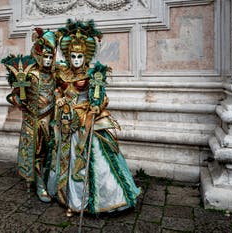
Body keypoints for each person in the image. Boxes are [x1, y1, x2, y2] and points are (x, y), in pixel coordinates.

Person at [47, 19, 140, 216]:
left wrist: (96, 106)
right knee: (64, 157)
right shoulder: (62, 72)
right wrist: (58, 98)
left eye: (80, 56)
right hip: (65, 122)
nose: (76, 60)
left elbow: (101, 96)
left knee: (84, 158)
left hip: (84, 122)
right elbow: (58, 90)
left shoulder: (93, 74)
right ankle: (67, 198)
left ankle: (85, 201)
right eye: (72, 56)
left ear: (86, 55)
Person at [2, 28, 56, 203]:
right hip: (34, 122)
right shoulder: (31, 74)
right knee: (37, 153)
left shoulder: (54, 75)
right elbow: (13, 96)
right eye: (45, 56)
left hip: (51, 122)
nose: (47, 60)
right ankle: (40, 185)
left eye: (50, 57)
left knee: (50, 153)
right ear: (39, 55)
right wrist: (20, 101)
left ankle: (49, 181)